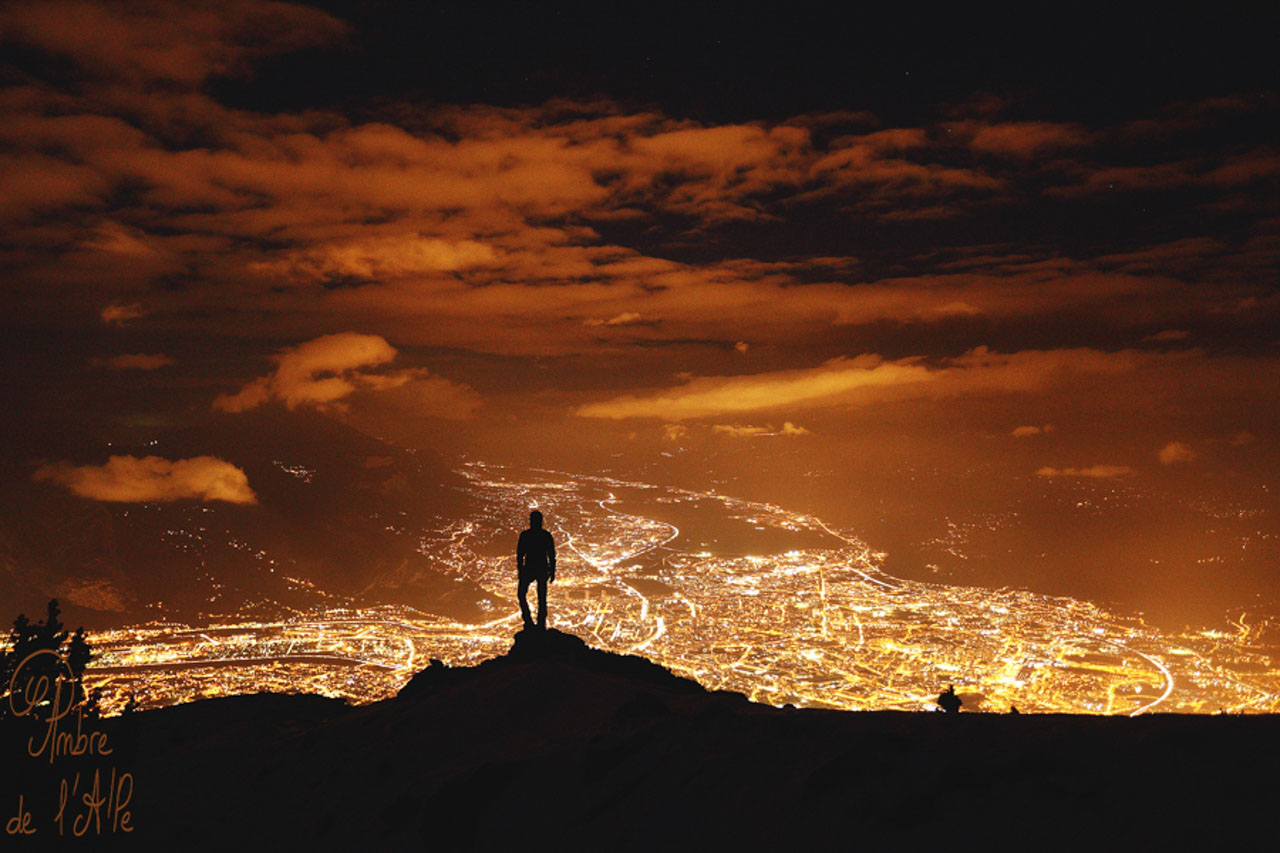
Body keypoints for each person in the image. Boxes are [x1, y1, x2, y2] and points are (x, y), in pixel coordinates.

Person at [516, 510, 556, 630]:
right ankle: (540, 624)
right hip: (542, 568)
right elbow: (552, 555)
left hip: (529, 568)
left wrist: (520, 570)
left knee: (522, 594)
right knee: (541, 598)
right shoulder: (546, 535)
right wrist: (552, 571)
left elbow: (519, 555)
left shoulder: (526, 535)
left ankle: (528, 621)